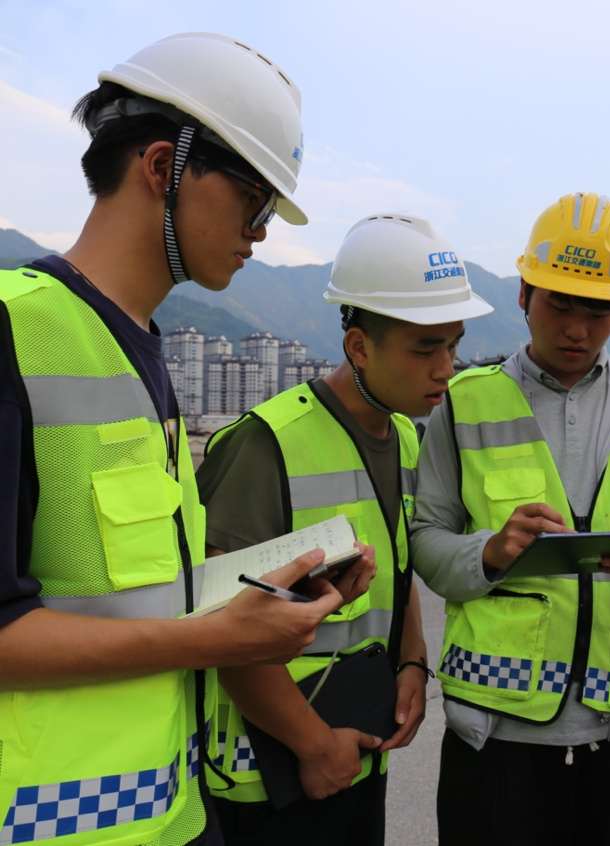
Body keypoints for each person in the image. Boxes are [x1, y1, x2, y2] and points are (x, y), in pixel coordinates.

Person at [0, 32, 373, 846]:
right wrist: (214, 639)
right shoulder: (16, 329)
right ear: (165, 168)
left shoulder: (143, 347)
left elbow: (123, 588)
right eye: (254, 202)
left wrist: (265, 593)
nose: (263, 233)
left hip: (170, 810)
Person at [410, 192, 610, 845]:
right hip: (496, 731)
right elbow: (426, 540)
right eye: (560, 303)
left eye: (599, 309)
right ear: (524, 294)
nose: (577, 328)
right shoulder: (464, 405)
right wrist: (489, 554)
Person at [195, 215, 492, 843]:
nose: (447, 368)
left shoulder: (408, 438)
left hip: (353, 749)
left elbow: (399, 563)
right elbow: (222, 630)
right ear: (359, 347)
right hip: (270, 774)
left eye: (453, 345)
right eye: (425, 348)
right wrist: (312, 744)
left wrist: (413, 660)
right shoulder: (264, 444)